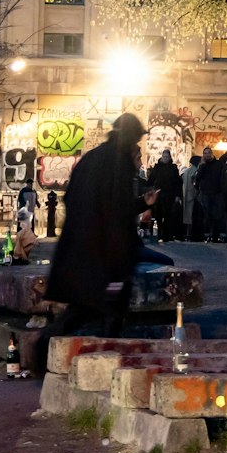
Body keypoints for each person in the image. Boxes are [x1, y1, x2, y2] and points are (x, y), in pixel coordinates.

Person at [44, 115, 150, 348]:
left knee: (84, 309)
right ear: (131, 138)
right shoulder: (118, 165)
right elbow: (117, 212)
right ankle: (104, 357)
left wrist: (142, 203)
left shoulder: (92, 158)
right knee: (110, 307)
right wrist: (120, 261)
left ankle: (43, 349)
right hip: (105, 256)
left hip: (83, 251)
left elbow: (72, 198)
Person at [148, 149, 182, 242]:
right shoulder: (157, 167)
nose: (165, 158)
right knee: (158, 215)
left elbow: (177, 182)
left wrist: (177, 195)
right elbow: (151, 179)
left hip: (169, 194)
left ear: (169, 157)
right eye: (164, 156)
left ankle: (166, 235)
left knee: (168, 215)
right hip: (159, 194)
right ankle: (159, 234)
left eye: (167, 157)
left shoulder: (173, 168)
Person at [180, 154, 202, 241]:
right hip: (192, 195)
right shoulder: (195, 171)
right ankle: (191, 234)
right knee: (192, 216)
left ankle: (187, 234)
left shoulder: (186, 171)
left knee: (187, 216)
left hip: (186, 194)